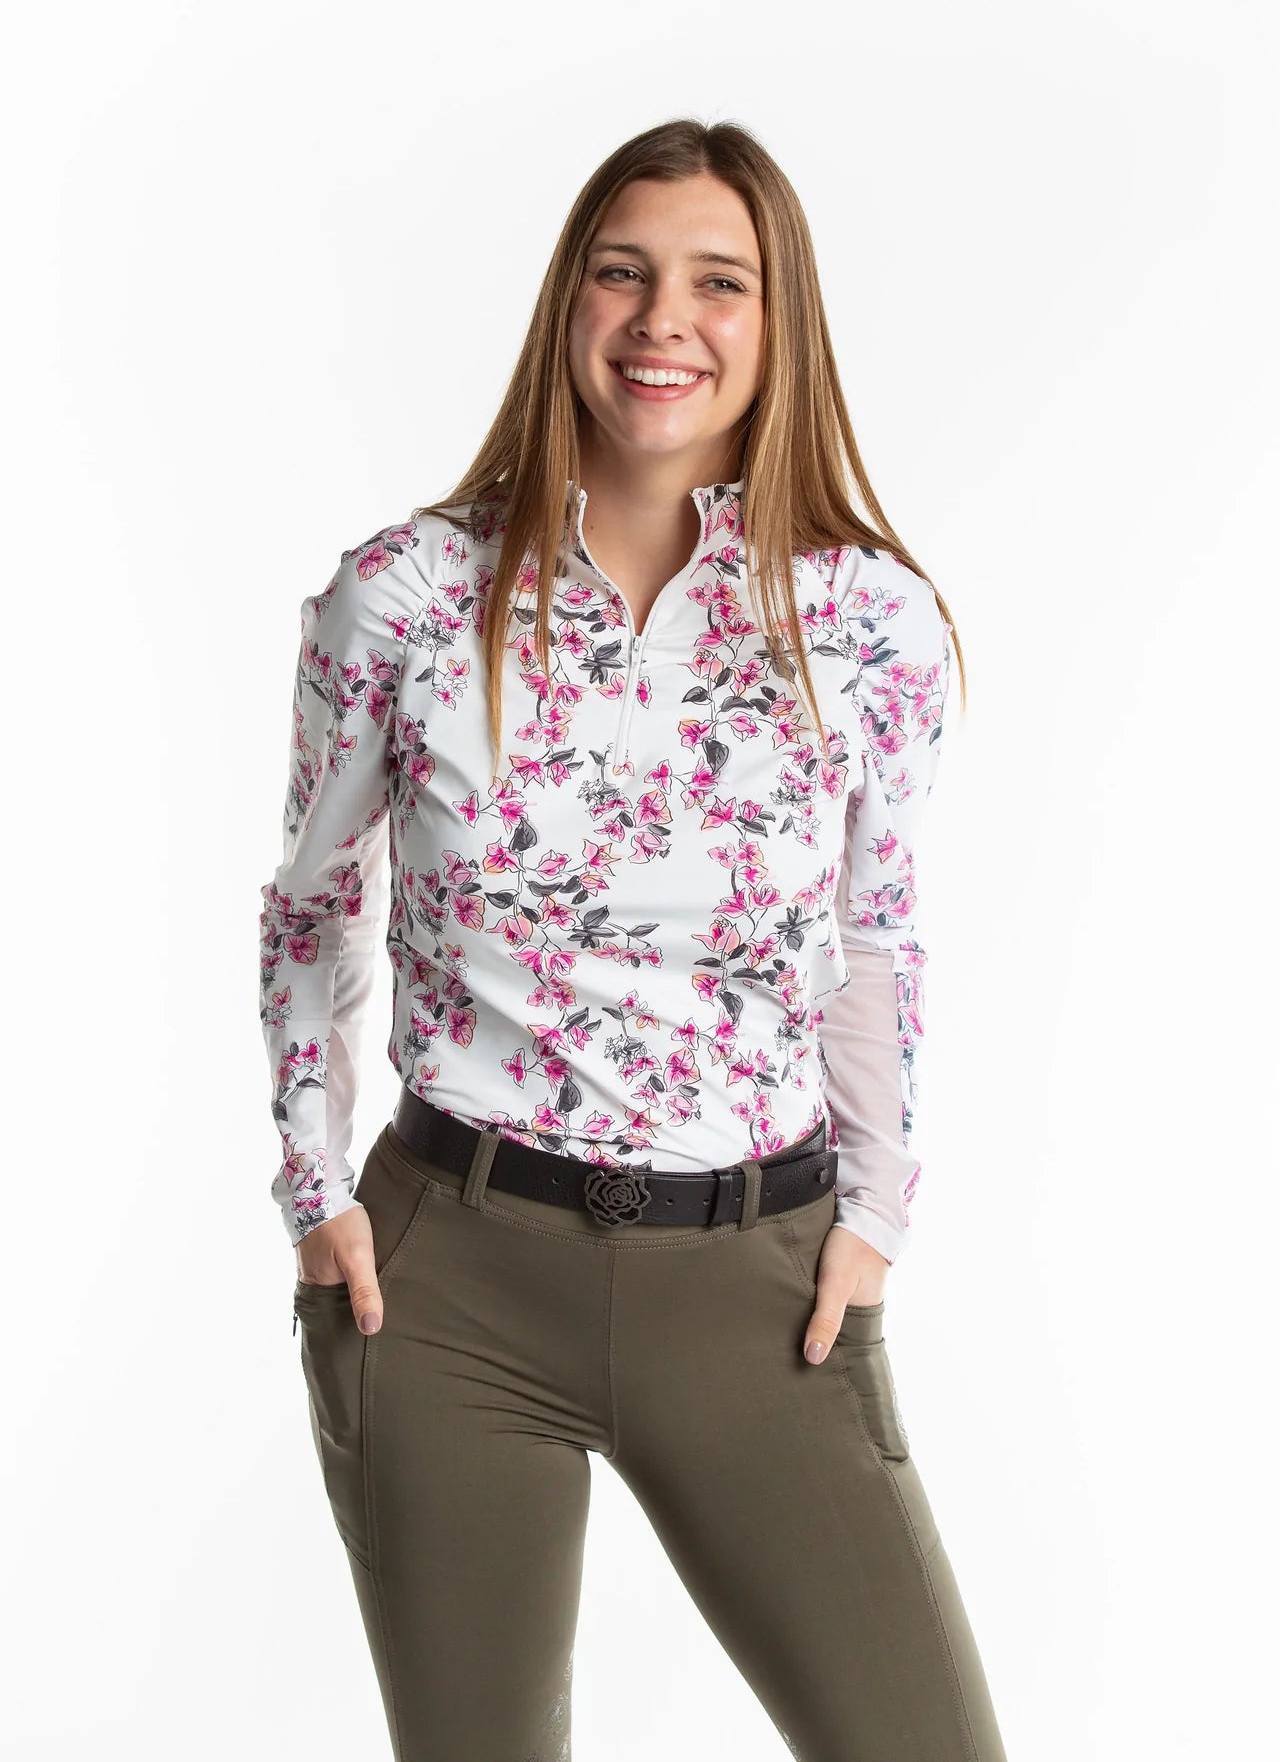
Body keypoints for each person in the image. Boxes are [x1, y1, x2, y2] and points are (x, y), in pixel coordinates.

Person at [258, 117, 1007, 1761]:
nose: (666, 319)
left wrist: (876, 1215)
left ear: (778, 322)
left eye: (719, 281)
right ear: (569, 301)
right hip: (451, 1281)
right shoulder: (407, 597)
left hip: (760, 1284)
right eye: (625, 271)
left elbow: (876, 939)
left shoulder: (866, 620)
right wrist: (318, 1191)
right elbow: (315, 902)